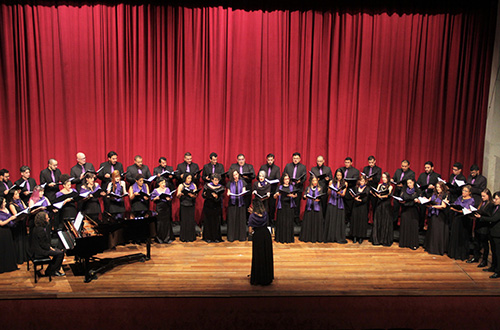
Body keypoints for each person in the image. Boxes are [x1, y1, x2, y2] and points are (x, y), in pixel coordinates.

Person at [30, 212, 65, 277]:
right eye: (47, 218)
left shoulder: (37, 227)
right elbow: (43, 244)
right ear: (43, 220)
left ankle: (52, 270)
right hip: (39, 251)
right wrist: (50, 248)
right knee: (60, 253)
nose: (49, 219)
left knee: (58, 251)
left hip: (38, 248)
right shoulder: (40, 230)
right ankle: (51, 271)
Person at [475, 191, 500, 278]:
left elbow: (494, 219)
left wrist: (481, 217)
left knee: (498, 253)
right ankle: (493, 267)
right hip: (492, 232)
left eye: (496, 199)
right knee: (493, 251)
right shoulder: (495, 207)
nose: (495, 200)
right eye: (494, 198)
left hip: (498, 233)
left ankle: (498, 271)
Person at [248, 199, 273, 286]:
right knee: (266, 255)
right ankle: (267, 277)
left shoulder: (252, 217)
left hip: (257, 236)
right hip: (266, 235)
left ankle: (258, 277)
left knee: (258, 256)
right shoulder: (265, 214)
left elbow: (250, 231)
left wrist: (252, 214)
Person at [448, 185, 475, 260]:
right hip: (456, 218)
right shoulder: (460, 197)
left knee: (462, 236)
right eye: (463, 190)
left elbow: (467, 210)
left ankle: (461, 254)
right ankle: (453, 253)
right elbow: (456, 204)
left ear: (469, 192)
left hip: (464, 220)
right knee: (455, 235)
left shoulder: (471, 200)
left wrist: (455, 209)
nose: (463, 192)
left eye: (465, 191)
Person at [468, 189, 494, 267]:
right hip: (478, 226)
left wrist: (481, 216)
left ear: (488, 196)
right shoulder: (482, 203)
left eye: (484, 196)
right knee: (476, 243)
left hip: (484, 227)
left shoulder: (490, 204)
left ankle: (484, 261)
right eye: (481, 196)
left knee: (484, 244)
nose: (482, 197)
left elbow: (490, 215)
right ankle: (476, 257)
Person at [422, 182, 449, 255]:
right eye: (437, 187)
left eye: (439, 187)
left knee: (437, 232)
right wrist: (425, 200)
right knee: (431, 231)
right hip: (432, 214)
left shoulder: (445, 195)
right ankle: (429, 247)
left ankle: (436, 249)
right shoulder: (434, 194)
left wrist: (433, 206)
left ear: (443, 187)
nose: (438, 189)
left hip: (439, 215)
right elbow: (430, 200)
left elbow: (443, 206)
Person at [324, 169, 347, 243]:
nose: (338, 177)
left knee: (338, 219)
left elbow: (343, 194)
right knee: (331, 219)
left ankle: (338, 236)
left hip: (339, 202)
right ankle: (330, 236)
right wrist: (330, 188)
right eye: (337, 175)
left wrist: (339, 192)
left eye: (340, 175)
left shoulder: (345, 183)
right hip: (332, 201)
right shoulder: (332, 181)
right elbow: (328, 193)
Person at [416, 161, 441, 230]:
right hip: (423, 196)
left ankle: (430, 228)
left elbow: (440, 186)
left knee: (431, 213)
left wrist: (434, 187)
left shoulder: (436, 176)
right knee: (422, 212)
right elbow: (418, 184)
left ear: (432, 168)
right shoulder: (422, 175)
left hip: (432, 196)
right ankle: (420, 227)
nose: (426, 169)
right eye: (425, 168)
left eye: (428, 167)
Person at [283, 152, 307, 222]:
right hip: (288, 188)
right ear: (292, 159)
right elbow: (284, 175)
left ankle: (296, 219)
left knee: (297, 205)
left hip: (298, 188)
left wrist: (300, 181)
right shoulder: (288, 166)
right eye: (294, 158)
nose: (295, 160)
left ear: (300, 159)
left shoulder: (303, 167)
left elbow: (304, 177)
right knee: (288, 203)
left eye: (297, 158)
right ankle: (288, 218)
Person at [371, 172, 393, 246]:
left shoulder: (390, 186)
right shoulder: (380, 185)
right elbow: (377, 193)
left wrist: (381, 196)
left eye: (385, 177)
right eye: (383, 177)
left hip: (386, 205)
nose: (384, 179)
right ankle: (377, 239)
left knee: (385, 221)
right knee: (378, 220)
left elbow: (388, 195)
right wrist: (374, 193)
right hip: (379, 204)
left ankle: (384, 239)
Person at [299, 176, 324, 243]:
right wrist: (304, 196)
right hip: (309, 207)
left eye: (316, 181)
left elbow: (322, 197)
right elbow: (304, 196)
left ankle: (316, 237)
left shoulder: (319, 188)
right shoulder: (308, 188)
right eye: (313, 181)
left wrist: (318, 198)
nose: (315, 182)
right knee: (308, 222)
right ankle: (308, 237)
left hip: (317, 207)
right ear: (311, 181)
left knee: (316, 222)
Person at [273, 173, 297, 243]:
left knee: (289, 222)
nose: (287, 180)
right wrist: (276, 194)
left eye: (288, 179)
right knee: (281, 222)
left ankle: (288, 238)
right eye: (285, 179)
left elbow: (296, 195)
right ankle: (281, 238)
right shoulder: (279, 187)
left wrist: (293, 196)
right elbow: (274, 197)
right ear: (283, 180)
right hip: (281, 206)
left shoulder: (292, 187)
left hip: (289, 206)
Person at [398, 178, 420, 250]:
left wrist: (412, 200)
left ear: (413, 182)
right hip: (405, 210)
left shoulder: (417, 190)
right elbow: (403, 197)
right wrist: (411, 200)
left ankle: (413, 243)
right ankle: (404, 242)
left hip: (413, 210)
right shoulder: (404, 190)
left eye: (410, 183)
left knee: (413, 227)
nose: (409, 184)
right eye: (408, 183)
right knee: (405, 225)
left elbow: (417, 198)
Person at [201, 173, 224, 243]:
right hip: (208, 206)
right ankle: (208, 237)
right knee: (208, 221)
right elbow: (203, 195)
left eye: (218, 180)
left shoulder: (221, 187)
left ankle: (216, 237)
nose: (217, 182)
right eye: (215, 180)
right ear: (212, 180)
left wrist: (216, 197)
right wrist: (205, 194)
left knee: (216, 222)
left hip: (216, 206)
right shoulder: (207, 186)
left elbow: (220, 197)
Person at [8, 187, 28, 264]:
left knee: (24, 238)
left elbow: (26, 208)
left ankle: (24, 256)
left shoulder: (21, 201)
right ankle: (19, 258)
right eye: (16, 194)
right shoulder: (11, 205)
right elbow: (15, 214)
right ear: (12, 196)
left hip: (23, 223)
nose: (18, 195)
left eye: (18, 193)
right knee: (19, 240)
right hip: (17, 224)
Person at [226, 170, 248, 242]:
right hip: (232, 204)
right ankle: (232, 237)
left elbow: (244, 190)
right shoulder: (230, 183)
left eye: (236, 174)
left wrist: (242, 193)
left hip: (240, 203)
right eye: (234, 175)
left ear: (238, 174)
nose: (235, 176)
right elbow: (228, 192)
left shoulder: (243, 182)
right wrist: (229, 194)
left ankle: (241, 237)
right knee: (232, 219)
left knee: (241, 219)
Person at [151, 177, 175, 244]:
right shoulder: (155, 190)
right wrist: (156, 198)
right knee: (160, 223)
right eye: (162, 183)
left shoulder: (167, 189)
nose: (164, 184)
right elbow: (152, 199)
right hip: (159, 207)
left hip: (166, 207)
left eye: (164, 182)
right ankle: (160, 238)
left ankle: (167, 238)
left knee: (166, 222)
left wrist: (168, 199)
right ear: (159, 184)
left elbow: (170, 198)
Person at [259, 153, 280, 222]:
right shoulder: (263, 167)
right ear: (266, 160)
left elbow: (278, 179)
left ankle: (271, 220)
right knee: (264, 205)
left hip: (272, 189)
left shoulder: (277, 168)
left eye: (271, 160)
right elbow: (258, 177)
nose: (270, 161)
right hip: (263, 189)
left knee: (272, 206)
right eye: (268, 160)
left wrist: (270, 181)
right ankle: (263, 219)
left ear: (274, 160)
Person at [176, 174, 198, 242]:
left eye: (190, 178)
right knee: (184, 221)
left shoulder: (193, 185)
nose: (189, 180)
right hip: (184, 204)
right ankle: (184, 237)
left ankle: (191, 237)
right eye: (188, 178)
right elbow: (177, 195)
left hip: (191, 204)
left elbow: (196, 195)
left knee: (190, 221)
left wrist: (192, 195)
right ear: (185, 178)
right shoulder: (181, 185)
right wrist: (180, 194)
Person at [0, 197, 19, 273]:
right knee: (3, 249)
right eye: (4, 202)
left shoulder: (6, 209)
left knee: (9, 248)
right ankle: (4, 267)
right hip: (2, 232)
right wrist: (10, 219)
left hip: (8, 231)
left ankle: (11, 266)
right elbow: (1, 223)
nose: (5, 203)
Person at [339, 157, 360, 225]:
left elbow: (355, 180)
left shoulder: (355, 171)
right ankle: (342, 220)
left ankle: (348, 221)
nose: (346, 164)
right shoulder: (341, 169)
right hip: (341, 190)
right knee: (341, 206)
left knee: (349, 207)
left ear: (351, 163)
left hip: (349, 190)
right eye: (345, 162)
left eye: (348, 162)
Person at [362, 155, 382, 222]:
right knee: (365, 205)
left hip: (374, 188)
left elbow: (378, 179)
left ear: (375, 161)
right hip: (366, 188)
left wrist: (372, 179)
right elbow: (363, 178)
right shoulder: (365, 168)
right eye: (369, 162)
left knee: (374, 206)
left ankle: (374, 221)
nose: (370, 164)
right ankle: (365, 220)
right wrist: (366, 179)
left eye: (372, 162)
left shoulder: (378, 169)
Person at [350, 175, 369, 244]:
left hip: (362, 206)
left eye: (363, 181)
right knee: (355, 220)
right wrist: (354, 197)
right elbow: (353, 194)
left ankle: (360, 237)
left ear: (365, 182)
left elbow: (366, 198)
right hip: (355, 206)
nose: (361, 182)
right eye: (361, 181)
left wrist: (360, 200)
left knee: (361, 221)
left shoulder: (367, 188)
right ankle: (354, 236)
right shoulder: (356, 187)